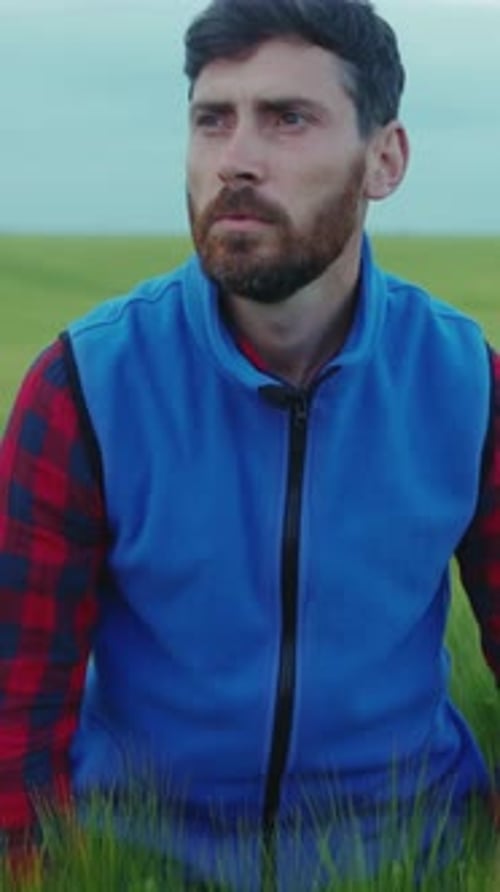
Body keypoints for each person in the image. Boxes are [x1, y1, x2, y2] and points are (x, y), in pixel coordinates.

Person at [1, 0, 499, 888]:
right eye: (212, 119)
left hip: (415, 855)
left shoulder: (468, 385)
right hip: (142, 863)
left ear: (385, 159)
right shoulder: (85, 387)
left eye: (288, 118)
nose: (235, 159)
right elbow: (14, 704)